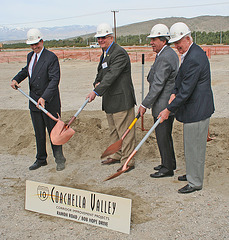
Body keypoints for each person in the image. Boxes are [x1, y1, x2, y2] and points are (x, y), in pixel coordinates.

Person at [158, 22, 215, 193]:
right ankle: (191, 173)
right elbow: (180, 81)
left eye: (179, 43)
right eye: (175, 43)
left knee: (196, 148)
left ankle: (195, 182)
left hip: (197, 110)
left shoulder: (195, 58)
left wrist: (168, 109)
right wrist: (174, 92)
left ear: (188, 38)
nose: (177, 47)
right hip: (192, 110)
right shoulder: (189, 54)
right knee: (190, 145)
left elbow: (187, 90)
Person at [10, 28, 66, 171]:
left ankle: (60, 159)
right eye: (32, 45)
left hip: (49, 101)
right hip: (34, 101)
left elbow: (54, 80)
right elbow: (26, 70)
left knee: (54, 132)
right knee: (39, 132)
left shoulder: (51, 57)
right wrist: (16, 79)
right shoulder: (30, 56)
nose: (34, 47)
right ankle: (41, 159)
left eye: (36, 43)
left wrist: (44, 98)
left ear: (42, 41)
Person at [86, 23, 136, 172]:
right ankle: (117, 155)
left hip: (121, 100)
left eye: (103, 37)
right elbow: (101, 74)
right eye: (99, 38)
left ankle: (128, 160)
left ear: (110, 37)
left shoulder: (118, 53)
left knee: (125, 132)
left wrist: (96, 92)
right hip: (110, 100)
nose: (100, 40)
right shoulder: (105, 53)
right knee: (114, 130)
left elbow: (111, 76)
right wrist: (96, 83)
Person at [138, 24, 179, 178]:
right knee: (165, 136)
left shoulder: (166, 57)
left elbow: (157, 85)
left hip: (163, 105)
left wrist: (144, 104)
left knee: (162, 136)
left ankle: (167, 169)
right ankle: (169, 162)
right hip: (165, 103)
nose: (151, 43)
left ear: (163, 40)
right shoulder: (165, 54)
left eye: (154, 39)